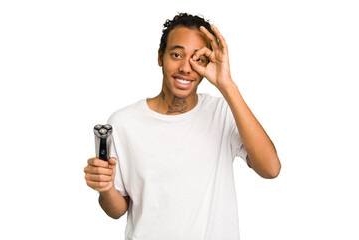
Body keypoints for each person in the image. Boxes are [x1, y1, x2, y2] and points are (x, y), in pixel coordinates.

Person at [84, 13, 281, 240]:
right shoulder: (122, 123)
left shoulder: (222, 112)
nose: (186, 68)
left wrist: (227, 85)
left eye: (198, 59)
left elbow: (270, 169)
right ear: (160, 57)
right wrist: (105, 186)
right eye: (176, 55)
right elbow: (117, 210)